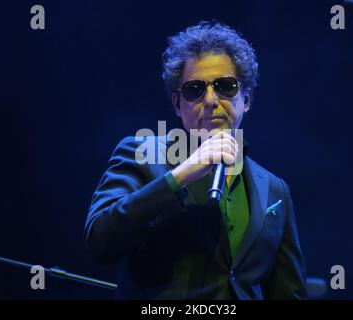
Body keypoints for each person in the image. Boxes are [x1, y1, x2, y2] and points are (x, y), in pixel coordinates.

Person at [84, 21, 308, 299]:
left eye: (225, 86)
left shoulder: (275, 189)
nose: (212, 100)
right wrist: (181, 176)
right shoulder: (143, 153)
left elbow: (289, 292)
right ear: (178, 104)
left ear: (247, 99)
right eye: (195, 89)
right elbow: (101, 240)